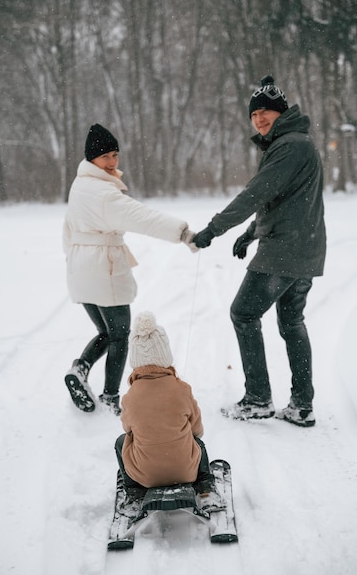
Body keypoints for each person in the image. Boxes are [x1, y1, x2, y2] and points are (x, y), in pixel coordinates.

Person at [192, 75, 326, 428]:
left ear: (281, 113)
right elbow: (282, 200)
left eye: (266, 112)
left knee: (243, 313)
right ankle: (301, 405)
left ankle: (257, 398)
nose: (259, 119)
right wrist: (250, 234)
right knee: (292, 322)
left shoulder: (290, 146)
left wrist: (214, 228)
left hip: (284, 251)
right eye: (254, 115)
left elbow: (256, 193)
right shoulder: (295, 144)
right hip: (305, 249)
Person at [63, 124, 196, 415]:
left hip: (80, 271)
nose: (112, 162)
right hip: (104, 270)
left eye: (115, 155)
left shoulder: (79, 186)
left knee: (105, 330)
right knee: (120, 334)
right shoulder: (104, 194)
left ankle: (80, 368)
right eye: (105, 157)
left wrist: (74, 265)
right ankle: (111, 397)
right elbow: (143, 217)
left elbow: (67, 231)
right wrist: (182, 233)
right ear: (92, 159)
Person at [115, 311, 219, 509]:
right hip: (186, 471)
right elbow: (197, 430)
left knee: (121, 442)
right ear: (165, 356)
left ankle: (134, 492)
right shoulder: (182, 389)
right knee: (195, 440)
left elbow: (128, 430)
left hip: (145, 476)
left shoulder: (130, 397)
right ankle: (205, 485)